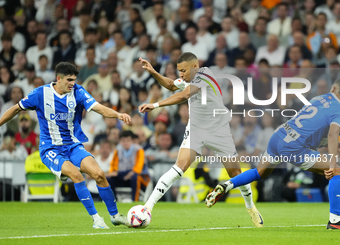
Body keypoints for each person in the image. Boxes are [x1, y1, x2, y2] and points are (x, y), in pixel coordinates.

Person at [138, 52, 263, 228]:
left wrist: (156, 105)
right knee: (179, 166)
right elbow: (172, 86)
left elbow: (184, 95)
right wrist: (153, 71)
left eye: (183, 70)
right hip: (196, 130)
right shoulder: (188, 80)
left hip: (218, 130)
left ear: (195, 66)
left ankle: (251, 208)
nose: (181, 74)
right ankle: (147, 208)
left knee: (235, 173)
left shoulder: (205, 75)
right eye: (179, 70)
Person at [0, 62, 132, 229]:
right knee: (77, 175)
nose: (72, 83)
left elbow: (98, 108)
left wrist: (118, 114)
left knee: (99, 174)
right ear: (58, 79)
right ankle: (97, 220)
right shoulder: (41, 93)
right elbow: (16, 109)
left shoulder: (78, 91)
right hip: (51, 148)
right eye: (69, 80)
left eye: (74, 79)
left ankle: (115, 215)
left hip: (72, 145)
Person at [205, 79, 340, 230]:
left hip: (279, 135)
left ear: (333, 88)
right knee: (337, 172)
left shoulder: (319, 98)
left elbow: (312, 127)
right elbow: (333, 134)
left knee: (259, 172)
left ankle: (227, 184)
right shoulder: (338, 109)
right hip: (294, 146)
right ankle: (335, 222)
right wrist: (333, 163)